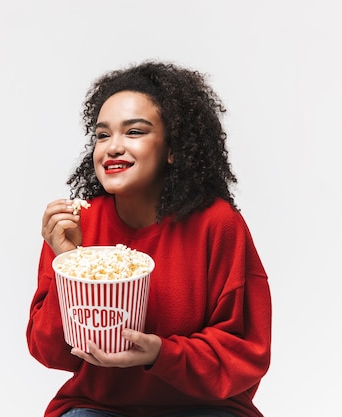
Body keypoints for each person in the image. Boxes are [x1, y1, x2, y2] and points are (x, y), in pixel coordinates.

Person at [26, 60, 271, 417]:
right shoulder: (77, 226)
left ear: (174, 148)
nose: (112, 148)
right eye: (103, 135)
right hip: (99, 407)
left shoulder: (218, 224)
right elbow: (50, 352)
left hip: (206, 408)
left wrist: (161, 353)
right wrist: (67, 261)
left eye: (135, 132)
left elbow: (245, 353)